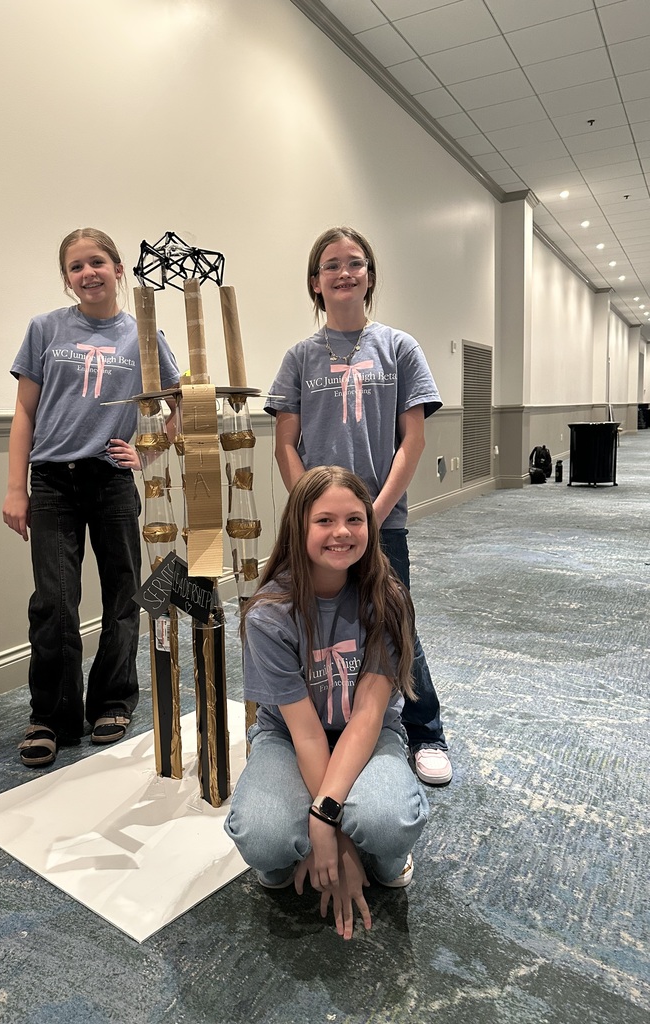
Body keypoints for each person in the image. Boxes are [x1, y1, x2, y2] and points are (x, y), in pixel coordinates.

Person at [265, 226, 452, 786]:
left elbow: (411, 441)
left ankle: (426, 732)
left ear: (369, 276)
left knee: (392, 620)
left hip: (381, 520)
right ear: (315, 282)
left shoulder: (398, 348)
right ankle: (316, 729)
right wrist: (311, 516)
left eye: (355, 263)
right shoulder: (300, 358)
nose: (343, 272)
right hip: (318, 528)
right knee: (318, 624)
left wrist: (371, 515)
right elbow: (284, 443)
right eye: (330, 265)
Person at [224, 466, 429, 940]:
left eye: (355, 519)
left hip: (367, 733)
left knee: (387, 822)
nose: (342, 532)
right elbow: (307, 732)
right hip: (292, 735)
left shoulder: (388, 599)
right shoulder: (269, 614)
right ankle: (298, 851)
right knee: (263, 837)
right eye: (325, 521)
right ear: (299, 526)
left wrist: (332, 831)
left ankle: (379, 853)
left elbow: (367, 716)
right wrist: (333, 836)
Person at [2, 227, 179, 768]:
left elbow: (180, 405)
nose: (88, 273)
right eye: (76, 267)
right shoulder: (45, 330)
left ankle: (113, 698)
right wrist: (16, 487)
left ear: (119, 269)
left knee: (125, 593)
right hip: (53, 481)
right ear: (67, 278)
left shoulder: (143, 335)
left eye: (97, 262)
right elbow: (25, 412)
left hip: (110, 481)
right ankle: (52, 716)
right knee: (54, 602)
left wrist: (145, 455)